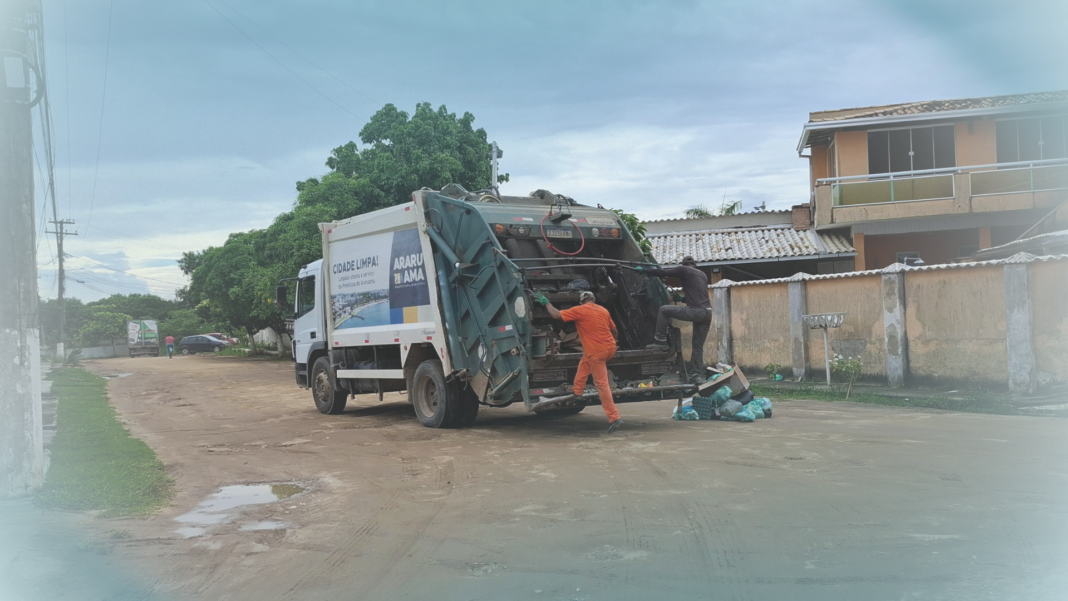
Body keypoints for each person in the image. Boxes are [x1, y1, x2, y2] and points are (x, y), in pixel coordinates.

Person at [533, 290, 623, 433]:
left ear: (581, 302)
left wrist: (546, 302)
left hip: (596, 352)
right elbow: (615, 331)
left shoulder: (580, 310)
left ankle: (614, 417)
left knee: (601, 384)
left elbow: (556, 315)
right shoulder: (603, 310)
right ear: (593, 299)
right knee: (585, 361)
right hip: (610, 348)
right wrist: (612, 342)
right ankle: (577, 391)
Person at [637, 256, 713, 383]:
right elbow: (697, 295)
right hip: (707, 313)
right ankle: (696, 376)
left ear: (683, 265)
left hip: (696, 312)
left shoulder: (683, 270)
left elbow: (664, 272)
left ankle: (660, 341)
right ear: (694, 265)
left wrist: (644, 270)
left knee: (664, 310)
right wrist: (682, 299)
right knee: (698, 346)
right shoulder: (702, 274)